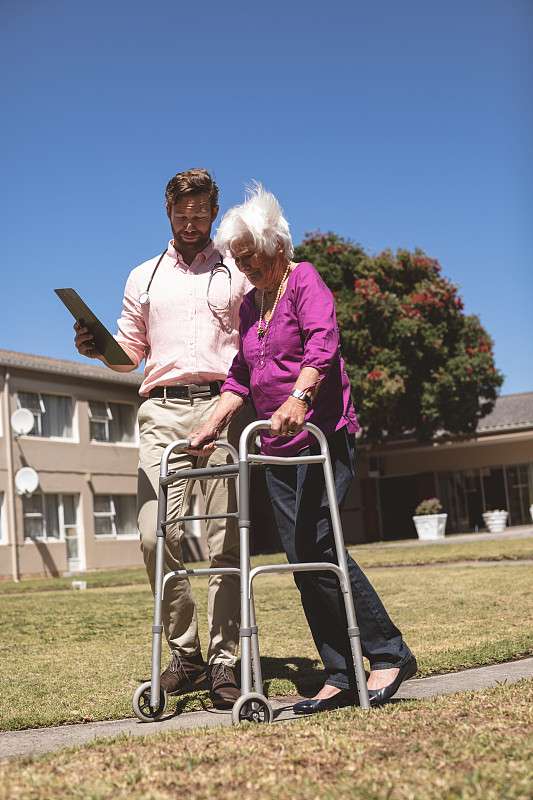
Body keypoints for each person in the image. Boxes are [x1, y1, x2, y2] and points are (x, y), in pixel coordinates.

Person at [188, 184, 417, 712]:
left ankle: (388, 652)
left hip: (320, 437)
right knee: (300, 556)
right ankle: (338, 671)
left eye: (249, 257)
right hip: (275, 447)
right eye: (237, 259)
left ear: (277, 248)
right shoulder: (250, 305)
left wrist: (299, 396)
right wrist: (212, 423)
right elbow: (240, 376)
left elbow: (323, 342)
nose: (242, 267)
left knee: (320, 544)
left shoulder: (304, 279)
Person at [74, 168, 252, 709]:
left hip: (225, 408)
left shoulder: (235, 271)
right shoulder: (143, 277)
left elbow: (256, 342)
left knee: (226, 538)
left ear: (213, 213)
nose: (192, 221)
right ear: (168, 213)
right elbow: (129, 355)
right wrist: (96, 347)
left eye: (201, 212)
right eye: (182, 213)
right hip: (162, 412)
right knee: (156, 536)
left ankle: (225, 661)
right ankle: (187, 655)